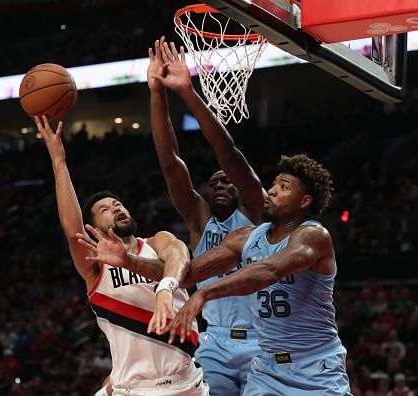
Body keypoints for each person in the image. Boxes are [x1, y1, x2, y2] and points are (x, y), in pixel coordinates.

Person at [84, 154, 352, 395]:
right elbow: (187, 274)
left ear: (304, 201)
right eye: (274, 184)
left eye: (283, 188)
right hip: (267, 368)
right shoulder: (246, 237)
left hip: (316, 365)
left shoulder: (314, 236)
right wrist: (128, 260)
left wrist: (206, 292)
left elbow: (269, 270)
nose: (271, 191)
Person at [34, 116, 208, 396]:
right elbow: (72, 229)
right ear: (96, 229)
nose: (116, 209)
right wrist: (58, 161)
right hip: (132, 389)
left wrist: (165, 288)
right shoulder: (95, 266)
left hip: (184, 384)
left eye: (118, 204)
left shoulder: (157, 241)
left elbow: (180, 256)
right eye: (105, 210)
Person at [148, 37, 264, 395]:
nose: (221, 182)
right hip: (214, 343)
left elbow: (228, 154)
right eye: (214, 181)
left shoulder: (257, 213)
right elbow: (170, 163)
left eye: (228, 180)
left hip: (263, 342)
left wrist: (187, 92)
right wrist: (157, 92)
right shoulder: (200, 221)